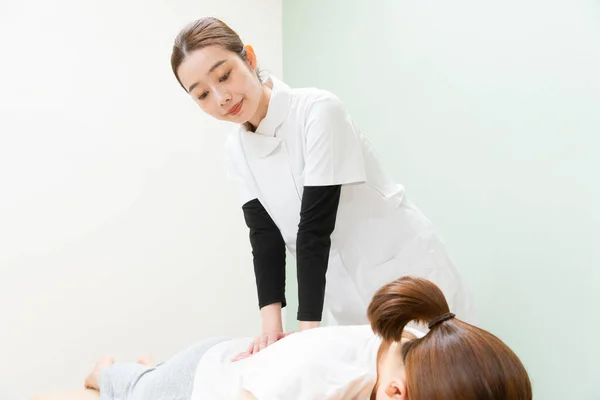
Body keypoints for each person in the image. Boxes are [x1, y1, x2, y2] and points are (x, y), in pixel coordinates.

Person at [170, 17, 475, 356]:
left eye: (224, 75)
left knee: (445, 378)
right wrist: (270, 335)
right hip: (344, 297)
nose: (221, 97)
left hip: (408, 276)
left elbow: (314, 228)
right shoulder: (236, 150)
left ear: (250, 59)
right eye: (202, 95)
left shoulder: (317, 110)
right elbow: (264, 237)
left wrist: (307, 335)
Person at [36, 277, 530, 400]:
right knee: (135, 388)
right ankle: (116, 369)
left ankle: (149, 365)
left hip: (245, 362)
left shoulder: (422, 346)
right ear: (398, 393)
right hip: (207, 380)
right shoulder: (319, 373)